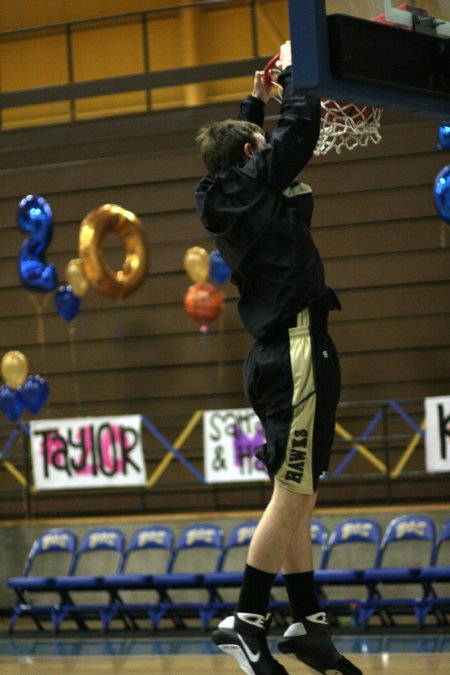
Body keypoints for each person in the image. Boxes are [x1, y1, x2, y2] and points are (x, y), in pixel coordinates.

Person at [194, 41, 363, 675]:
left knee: (298, 490)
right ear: (248, 155)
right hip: (295, 345)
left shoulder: (220, 192)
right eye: (257, 147)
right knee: (295, 492)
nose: (269, 155)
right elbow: (303, 127)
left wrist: (252, 102)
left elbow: (246, 148)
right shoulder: (254, 178)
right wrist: (300, 74)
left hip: (272, 352)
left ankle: (307, 621)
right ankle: (247, 617)